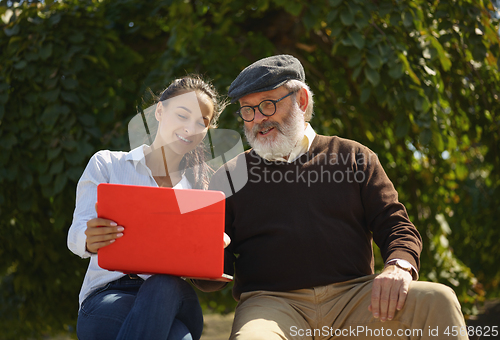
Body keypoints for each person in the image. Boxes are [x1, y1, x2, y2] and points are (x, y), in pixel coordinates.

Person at [193, 55, 470, 339]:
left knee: (439, 299)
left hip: (356, 299)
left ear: (300, 100)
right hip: (271, 305)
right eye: (248, 111)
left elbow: (396, 225)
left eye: (267, 105)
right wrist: (198, 253)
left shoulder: (354, 156)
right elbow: (214, 277)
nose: (257, 120)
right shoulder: (229, 176)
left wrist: (398, 267)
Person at [67, 75, 229, 340]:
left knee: (163, 283)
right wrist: (88, 237)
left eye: (202, 122)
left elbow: (202, 272)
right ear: (160, 111)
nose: (191, 127)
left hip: (176, 299)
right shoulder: (108, 164)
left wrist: (210, 249)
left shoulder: (198, 192)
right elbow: (75, 236)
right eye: (182, 115)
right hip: (106, 298)